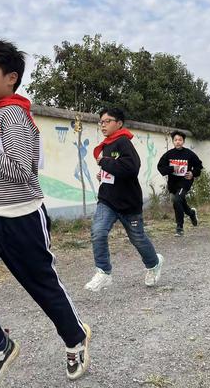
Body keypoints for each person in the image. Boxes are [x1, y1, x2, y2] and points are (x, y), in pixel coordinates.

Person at [0, 40, 91, 387]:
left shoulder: (13, 114)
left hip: (21, 218)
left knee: (42, 287)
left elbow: (23, 170)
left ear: (11, 78)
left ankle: (75, 338)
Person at [84, 107, 164, 292]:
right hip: (107, 200)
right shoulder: (106, 145)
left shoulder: (123, 142)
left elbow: (131, 168)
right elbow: (114, 168)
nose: (103, 125)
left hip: (128, 203)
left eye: (107, 121)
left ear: (119, 123)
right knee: (98, 231)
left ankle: (154, 264)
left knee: (138, 239)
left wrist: (104, 163)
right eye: (101, 122)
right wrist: (103, 174)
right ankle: (103, 272)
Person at [157, 130, 203, 236]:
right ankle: (191, 213)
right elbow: (160, 167)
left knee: (177, 199)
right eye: (176, 140)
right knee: (179, 201)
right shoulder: (169, 154)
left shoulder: (189, 154)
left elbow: (199, 166)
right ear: (173, 141)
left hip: (185, 182)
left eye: (180, 140)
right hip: (173, 183)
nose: (178, 142)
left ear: (183, 141)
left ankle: (179, 227)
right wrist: (172, 168)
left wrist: (192, 173)